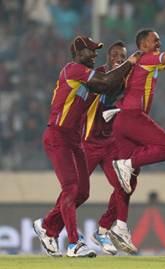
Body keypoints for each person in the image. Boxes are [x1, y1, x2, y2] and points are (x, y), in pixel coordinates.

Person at [33, 35, 140, 257]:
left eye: (95, 50)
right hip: (57, 136)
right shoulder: (73, 70)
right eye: (91, 51)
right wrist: (129, 62)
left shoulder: (86, 78)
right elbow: (107, 82)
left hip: (74, 139)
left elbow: (111, 87)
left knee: (82, 193)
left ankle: (46, 227)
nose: (94, 54)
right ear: (79, 53)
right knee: (71, 188)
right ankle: (73, 244)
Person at [107, 12, 165, 250]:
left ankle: (120, 227)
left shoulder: (143, 62)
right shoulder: (147, 58)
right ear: (143, 44)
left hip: (122, 122)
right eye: (155, 40)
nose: (159, 43)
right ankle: (128, 164)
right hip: (133, 118)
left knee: (126, 184)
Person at [82, 41, 133, 255]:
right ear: (108, 58)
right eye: (114, 55)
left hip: (111, 143)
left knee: (124, 185)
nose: (119, 58)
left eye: (122, 56)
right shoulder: (97, 75)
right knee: (75, 191)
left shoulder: (129, 79)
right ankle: (50, 227)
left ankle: (103, 229)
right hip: (89, 142)